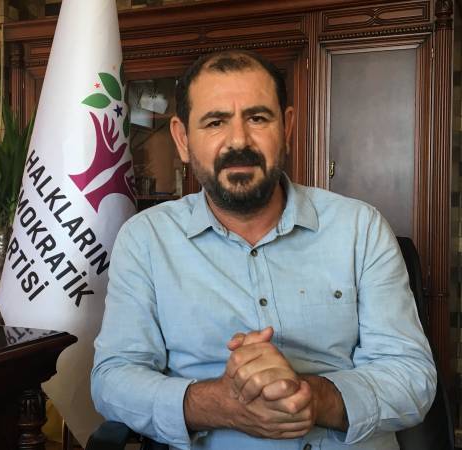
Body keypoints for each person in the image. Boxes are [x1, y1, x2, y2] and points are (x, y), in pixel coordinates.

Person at [91, 50, 436, 450]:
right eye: (215, 122)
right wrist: (219, 404)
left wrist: (313, 397)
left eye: (257, 118)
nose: (239, 140)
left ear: (286, 127)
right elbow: (113, 379)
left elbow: (412, 377)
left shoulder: (361, 228)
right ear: (183, 139)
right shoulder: (145, 239)